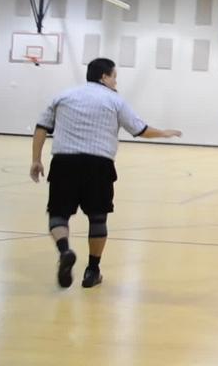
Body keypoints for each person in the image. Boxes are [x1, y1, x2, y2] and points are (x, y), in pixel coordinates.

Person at [30, 58, 182, 289]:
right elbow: (139, 129)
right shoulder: (114, 100)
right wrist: (164, 133)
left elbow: (42, 127)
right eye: (114, 77)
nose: (115, 82)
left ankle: (64, 251)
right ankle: (92, 271)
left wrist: (36, 160)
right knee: (98, 218)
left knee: (58, 215)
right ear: (104, 77)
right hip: (99, 165)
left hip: (64, 162)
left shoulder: (63, 96)